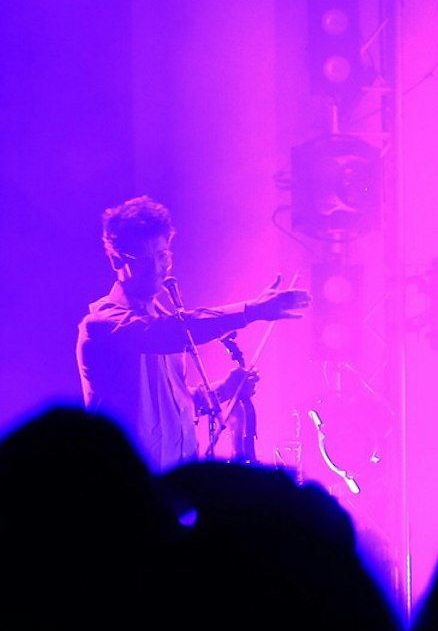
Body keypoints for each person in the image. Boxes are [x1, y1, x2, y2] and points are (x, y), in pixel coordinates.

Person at [76, 195, 310, 471]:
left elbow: (175, 405)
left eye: (162, 256)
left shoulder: (163, 318)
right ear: (116, 260)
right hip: (126, 491)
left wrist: (223, 390)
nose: (156, 268)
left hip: (175, 485)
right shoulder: (102, 323)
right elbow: (164, 333)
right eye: (144, 259)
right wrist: (250, 311)